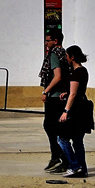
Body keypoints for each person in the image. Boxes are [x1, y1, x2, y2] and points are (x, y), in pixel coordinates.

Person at [56, 45, 93, 178]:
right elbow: (77, 91)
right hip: (83, 108)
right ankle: (82, 169)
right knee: (77, 141)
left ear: (72, 57)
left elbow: (73, 94)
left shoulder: (76, 73)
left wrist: (66, 111)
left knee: (62, 139)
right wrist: (68, 93)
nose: (66, 58)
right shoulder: (84, 71)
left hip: (76, 110)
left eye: (67, 56)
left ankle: (75, 165)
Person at [40, 28, 69, 173]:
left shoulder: (54, 54)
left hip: (54, 97)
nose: (46, 43)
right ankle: (57, 156)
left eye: (48, 40)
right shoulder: (65, 54)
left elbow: (57, 76)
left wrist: (46, 91)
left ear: (55, 41)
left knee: (50, 127)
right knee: (55, 128)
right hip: (62, 96)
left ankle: (60, 157)